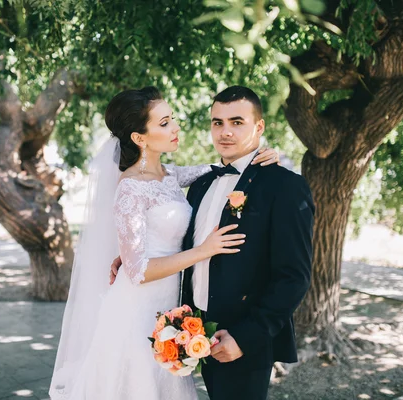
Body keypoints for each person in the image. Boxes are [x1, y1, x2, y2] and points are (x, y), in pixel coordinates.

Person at [50, 86, 279, 400]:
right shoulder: (130, 187)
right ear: (139, 138)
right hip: (136, 309)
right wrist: (204, 250)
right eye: (164, 123)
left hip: (168, 306)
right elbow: (138, 271)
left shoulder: (171, 175)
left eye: (172, 119)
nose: (175, 128)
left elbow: (222, 169)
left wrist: (262, 155)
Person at [112, 85, 315, 399]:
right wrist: (129, 255)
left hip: (240, 337)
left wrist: (245, 338)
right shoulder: (203, 182)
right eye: (217, 122)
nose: (225, 132)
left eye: (237, 122)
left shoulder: (285, 186)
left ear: (259, 127)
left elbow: (294, 278)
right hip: (190, 329)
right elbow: (177, 240)